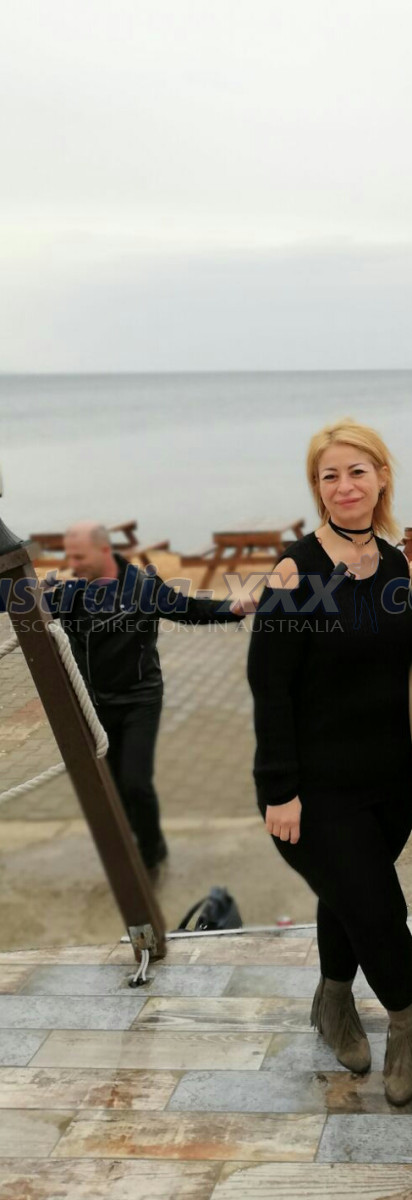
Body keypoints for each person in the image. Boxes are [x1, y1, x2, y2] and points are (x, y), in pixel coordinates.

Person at [247, 417, 412, 1106]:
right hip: (315, 789)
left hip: (393, 780)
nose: (345, 486)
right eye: (329, 475)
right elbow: (269, 685)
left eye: (356, 471)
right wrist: (279, 788)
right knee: (381, 910)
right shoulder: (298, 570)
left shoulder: (398, 565)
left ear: (381, 477)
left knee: (351, 896)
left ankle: (333, 1002)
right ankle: (406, 1024)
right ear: (318, 488)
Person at [46, 521, 246, 874]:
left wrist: (233, 608)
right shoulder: (70, 593)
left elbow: (188, 609)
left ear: (104, 551)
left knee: (136, 783)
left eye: (80, 557)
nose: (72, 565)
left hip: (140, 699)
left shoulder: (144, 587)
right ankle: (133, 842)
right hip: (95, 704)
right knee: (112, 787)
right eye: (70, 557)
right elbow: (16, 604)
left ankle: (152, 855)